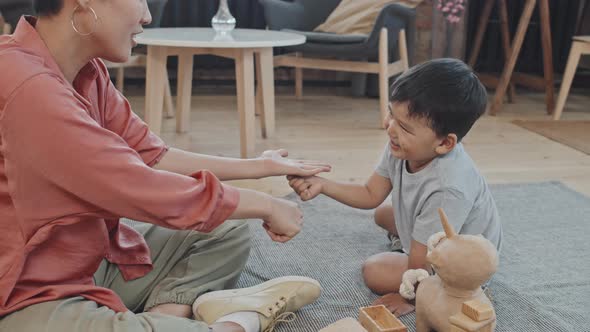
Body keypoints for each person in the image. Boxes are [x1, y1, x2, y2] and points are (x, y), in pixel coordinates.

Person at [0, 1, 332, 331]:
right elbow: (138, 188)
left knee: (226, 229)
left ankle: (163, 318)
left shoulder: (87, 71)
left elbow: (153, 156)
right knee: (226, 213)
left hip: (84, 262)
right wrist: (265, 204)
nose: (147, 15)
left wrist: (261, 166)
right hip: (23, 293)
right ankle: (240, 319)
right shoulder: (24, 83)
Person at [288, 58, 503, 315]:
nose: (390, 127)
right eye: (391, 113)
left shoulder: (448, 188)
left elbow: (423, 261)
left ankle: (421, 272)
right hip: (432, 238)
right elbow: (370, 194)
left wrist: (411, 297)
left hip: (462, 265)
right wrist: (323, 185)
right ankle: (409, 243)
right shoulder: (404, 145)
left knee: (374, 270)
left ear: (445, 143)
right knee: (382, 214)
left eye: (403, 126)